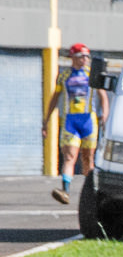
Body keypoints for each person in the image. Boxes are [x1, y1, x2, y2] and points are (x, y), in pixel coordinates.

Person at [42, 43, 109, 204]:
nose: (85, 60)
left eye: (87, 56)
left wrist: (104, 116)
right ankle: (65, 191)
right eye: (81, 57)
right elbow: (54, 99)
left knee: (88, 159)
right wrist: (46, 121)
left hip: (88, 120)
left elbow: (103, 96)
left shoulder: (92, 74)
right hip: (70, 121)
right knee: (70, 156)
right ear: (73, 58)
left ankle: (91, 194)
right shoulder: (64, 76)